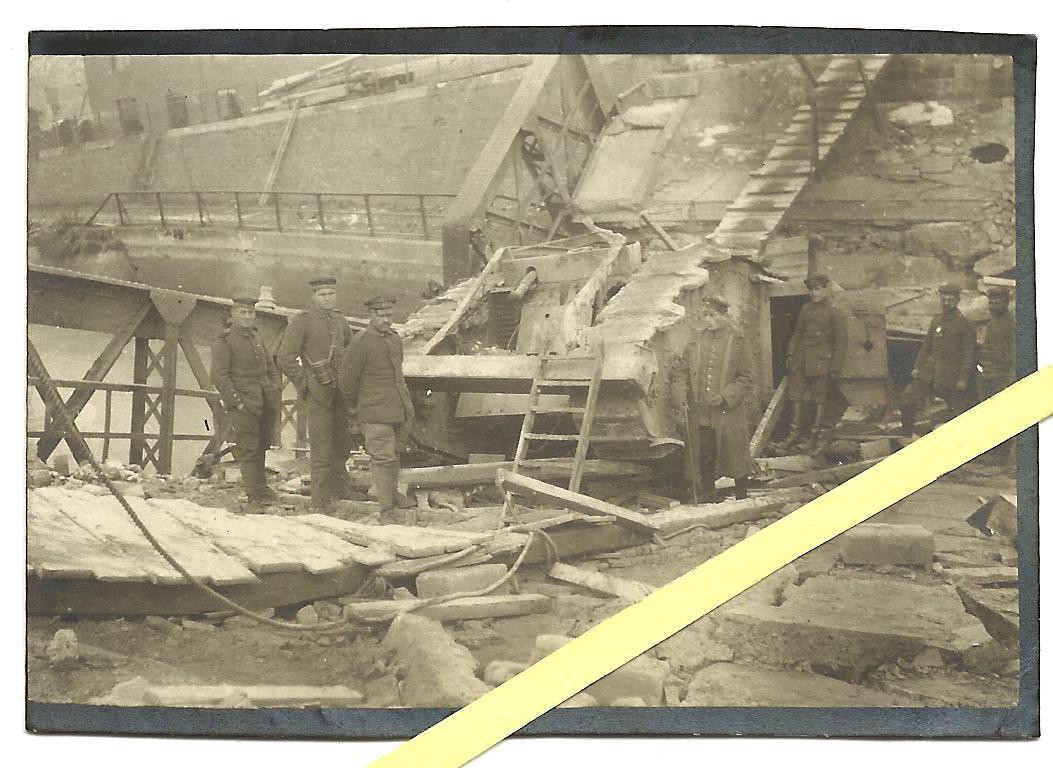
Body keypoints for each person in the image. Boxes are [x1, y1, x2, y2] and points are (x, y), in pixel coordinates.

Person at [277, 276, 354, 509]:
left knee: (341, 443)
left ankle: (340, 490)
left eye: (331, 294)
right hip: (318, 393)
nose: (327, 298)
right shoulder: (302, 321)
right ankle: (320, 501)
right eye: (322, 295)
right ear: (314, 296)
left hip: (340, 392)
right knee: (321, 447)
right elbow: (285, 358)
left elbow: (350, 351)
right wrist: (306, 383)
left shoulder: (340, 320)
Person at [339, 294, 416, 522]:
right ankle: (385, 510)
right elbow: (347, 381)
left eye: (389, 315)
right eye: (381, 316)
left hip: (398, 409)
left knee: (395, 454)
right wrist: (358, 408)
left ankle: (392, 495)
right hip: (374, 411)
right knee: (382, 458)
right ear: (371, 315)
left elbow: (398, 374)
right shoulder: (362, 341)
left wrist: (406, 407)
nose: (386, 320)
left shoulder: (395, 338)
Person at [671, 294, 754, 503]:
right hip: (701, 409)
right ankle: (708, 493)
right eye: (705, 315)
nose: (708, 320)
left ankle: (741, 492)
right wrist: (679, 395)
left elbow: (747, 377)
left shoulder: (737, 340)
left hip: (728, 409)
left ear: (724, 315)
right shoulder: (697, 340)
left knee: (734, 450)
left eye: (712, 315)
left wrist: (725, 396)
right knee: (705, 451)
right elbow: (681, 370)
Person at [210, 294, 282, 505]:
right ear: (233, 314)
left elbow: (270, 366)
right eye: (243, 312)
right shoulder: (225, 341)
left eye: (251, 312)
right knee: (249, 448)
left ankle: (261, 488)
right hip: (244, 404)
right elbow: (219, 377)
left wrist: (274, 387)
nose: (248, 316)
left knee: (262, 445)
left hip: (264, 401)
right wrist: (237, 402)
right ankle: (253, 495)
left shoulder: (256, 338)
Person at [899, 283, 977, 437]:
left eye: (950, 300)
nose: (946, 303)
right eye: (944, 299)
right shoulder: (936, 320)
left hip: (951, 376)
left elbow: (969, 355)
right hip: (929, 374)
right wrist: (917, 366)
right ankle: (906, 435)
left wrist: (963, 379)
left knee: (957, 411)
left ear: (958, 300)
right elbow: (926, 346)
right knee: (906, 397)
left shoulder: (965, 324)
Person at [780, 273, 848, 448]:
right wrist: (790, 354)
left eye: (817, 289)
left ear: (826, 289)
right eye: (811, 290)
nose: (814, 293)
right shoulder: (806, 309)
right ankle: (793, 435)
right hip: (800, 360)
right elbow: (797, 334)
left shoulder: (834, 311)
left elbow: (840, 343)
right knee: (794, 395)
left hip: (820, 362)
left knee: (819, 399)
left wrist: (835, 367)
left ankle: (813, 438)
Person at [977, 286, 1015, 464]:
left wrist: (1010, 378)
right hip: (988, 375)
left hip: (1002, 377)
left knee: (1002, 414)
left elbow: (1014, 353)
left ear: (1005, 303)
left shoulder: (1011, 324)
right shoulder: (992, 322)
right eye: (990, 303)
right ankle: (989, 451)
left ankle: (1000, 454)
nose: (993, 306)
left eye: (997, 303)